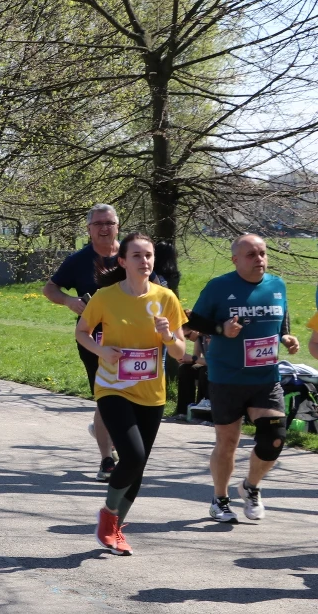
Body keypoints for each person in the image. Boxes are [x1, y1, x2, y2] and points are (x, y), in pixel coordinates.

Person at [75, 233, 186, 555]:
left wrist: (168, 336)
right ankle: (109, 515)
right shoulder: (106, 297)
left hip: (152, 393)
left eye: (148, 255)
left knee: (138, 467)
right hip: (113, 388)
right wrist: (100, 349)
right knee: (133, 456)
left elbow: (181, 352)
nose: (145, 261)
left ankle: (115, 529)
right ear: (122, 261)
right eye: (136, 255)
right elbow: (81, 331)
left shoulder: (166, 298)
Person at [186, 233, 300, 522]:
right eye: (251, 255)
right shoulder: (219, 287)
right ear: (235, 259)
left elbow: (281, 317)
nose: (259, 259)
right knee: (228, 443)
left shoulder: (277, 284)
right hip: (227, 377)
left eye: (262, 253)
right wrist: (222, 329)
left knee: (274, 439)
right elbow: (194, 322)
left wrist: (285, 336)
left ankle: (250, 486)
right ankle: (220, 499)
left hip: (265, 378)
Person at [43, 203, 121, 480]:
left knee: (131, 397)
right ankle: (106, 459)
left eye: (109, 223)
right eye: (98, 224)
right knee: (105, 396)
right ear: (88, 229)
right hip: (93, 337)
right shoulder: (78, 260)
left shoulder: (132, 255)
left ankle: (112, 433)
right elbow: (49, 287)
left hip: (133, 338)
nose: (104, 228)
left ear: (117, 226)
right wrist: (68, 300)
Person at [172, 321, 208, 420]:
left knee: (204, 371)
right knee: (185, 369)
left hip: (217, 368)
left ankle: (202, 409)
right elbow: (196, 358)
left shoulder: (208, 336)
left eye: (188, 335)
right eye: (185, 337)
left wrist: (193, 358)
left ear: (195, 329)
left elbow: (214, 362)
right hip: (207, 365)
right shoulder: (198, 338)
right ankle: (183, 411)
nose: (188, 339)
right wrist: (185, 360)